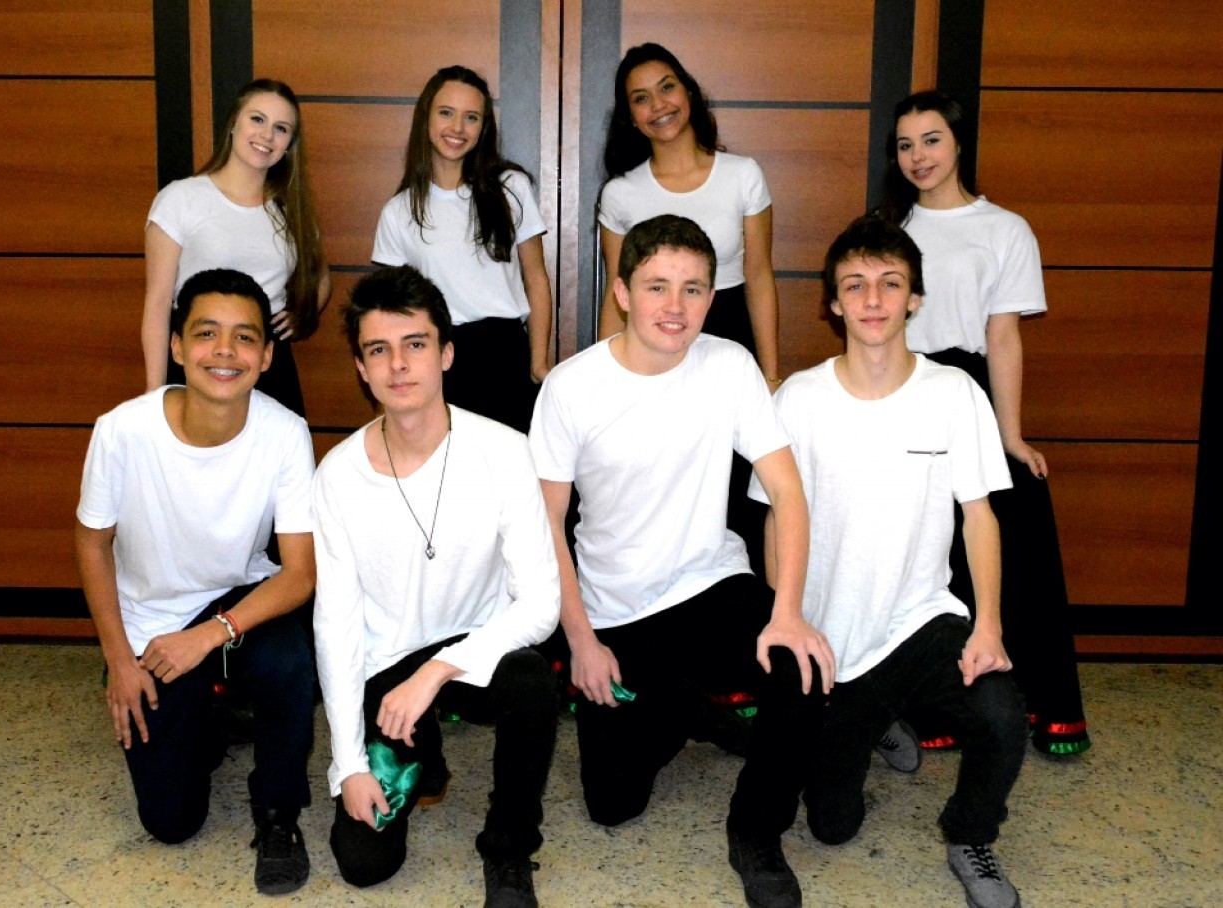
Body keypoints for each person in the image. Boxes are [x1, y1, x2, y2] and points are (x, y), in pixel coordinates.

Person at [530, 215, 833, 908]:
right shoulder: (572, 387)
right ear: (622, 293)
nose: (675, 306)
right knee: (612, 805)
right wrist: (581, 643)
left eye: (693, 289)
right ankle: (686, 710)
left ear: (711, 296)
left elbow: (788, 492)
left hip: (709, 584)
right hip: (615, 611)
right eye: (657, 286)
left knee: (803, 666)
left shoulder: (729, 365)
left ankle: (756, 832)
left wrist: (788, 612)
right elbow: (544, 526)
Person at [751, 215, 1028, 908]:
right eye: (855, 285)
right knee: (831, 826)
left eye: (890, 283)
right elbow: (773, 518)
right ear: (833, 303)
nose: (872, 299)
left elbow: (979, 517)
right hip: (833, 642)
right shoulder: (798, 399)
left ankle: (970, 834)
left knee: (1002, 716)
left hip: (920, 622)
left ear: (914, 299)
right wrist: (788, 615)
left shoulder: (954, 393)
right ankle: (879, 723)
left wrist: (988, 626)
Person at [313, 266, 560, 907]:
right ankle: (422, 751)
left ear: (446, 353)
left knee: (533, 680)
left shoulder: (504, 450)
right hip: (387, 667)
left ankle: (509, 850)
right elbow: (335, 626)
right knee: (364, 863)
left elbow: (541, 603)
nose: (398, 365)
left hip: (473, 651)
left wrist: (439, 671)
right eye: (378, 349)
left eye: (415, 344)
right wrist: (349, 766)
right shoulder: (337, 476)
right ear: (362, 368)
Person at [76, 268, 317, 895]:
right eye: (207, 334)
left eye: (244, 338)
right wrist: (119, 661)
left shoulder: (285, 432)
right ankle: (207, 718)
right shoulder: (122, 430)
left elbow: (300, 574)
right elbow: (93, 544)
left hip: (234, 604)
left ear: (266, 356)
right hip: (151, 624)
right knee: (171, 823)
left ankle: (278, 814)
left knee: (289, 658)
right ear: (178, 346)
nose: (225, 352)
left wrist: (210, 635)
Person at [879, 90, 1089, 756]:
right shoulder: (889, 231)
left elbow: (1002, 337)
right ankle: (933, 706)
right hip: (904, 388)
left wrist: (1010, 433)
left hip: (969, 391)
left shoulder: (1005, 228)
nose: (918, 156)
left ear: (959, 142)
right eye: (905, 145)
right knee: (923, 551)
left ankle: (1043, 705)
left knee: (1013, 535)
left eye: (931, 140)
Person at [598, 43, 779, 575]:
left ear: (689, 93)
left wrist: (770, 375)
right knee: (659, 487)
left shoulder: (743, 174)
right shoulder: (620, 193)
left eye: (667, 87)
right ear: (630, 117)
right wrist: (605, 383)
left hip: (728, 334)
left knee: (734, 490)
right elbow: (616, 294)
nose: (658, 104)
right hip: (651, 350)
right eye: (640, 98)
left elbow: (760, 276)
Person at [372, 65, 553, 433]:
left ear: (483, 127)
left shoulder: (510, 187)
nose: (457, 128)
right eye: (446, 113)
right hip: (437, 358)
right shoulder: (398, 211)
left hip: (506, 355)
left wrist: (537, 361)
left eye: (471, 117)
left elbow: (536, 277)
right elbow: (391, 311)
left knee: (508, 462)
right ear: (426, 118)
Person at [142, 78, 330, 417]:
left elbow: (321, 278)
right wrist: (154, 396)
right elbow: (157, 304)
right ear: (233, 124)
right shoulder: (181, 198)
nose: (267, 135)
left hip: (268, 363)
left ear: (289, 144)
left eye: (281, 128)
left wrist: (301, 315)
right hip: (199, 355)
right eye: (257, 119)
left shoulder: (292, 211)